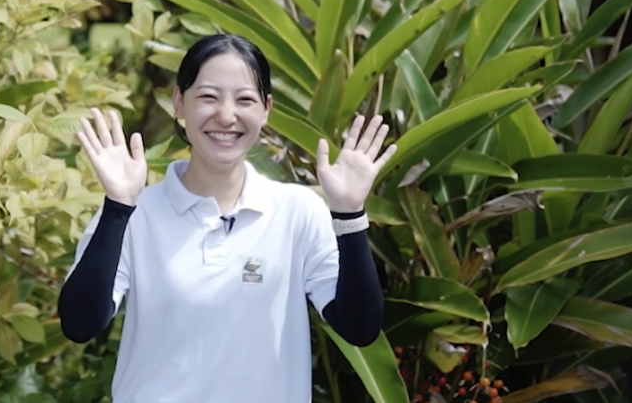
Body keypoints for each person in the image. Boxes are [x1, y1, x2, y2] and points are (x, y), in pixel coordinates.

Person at [58, 33, 396, 403]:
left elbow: (360, 327)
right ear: (179, 103)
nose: (226, 115)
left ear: (266, 109)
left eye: (245, 99)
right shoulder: (134, 214)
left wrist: (349, 213)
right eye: (208, 97)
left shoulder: (298, 212)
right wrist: (118, 206)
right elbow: (79, 324)